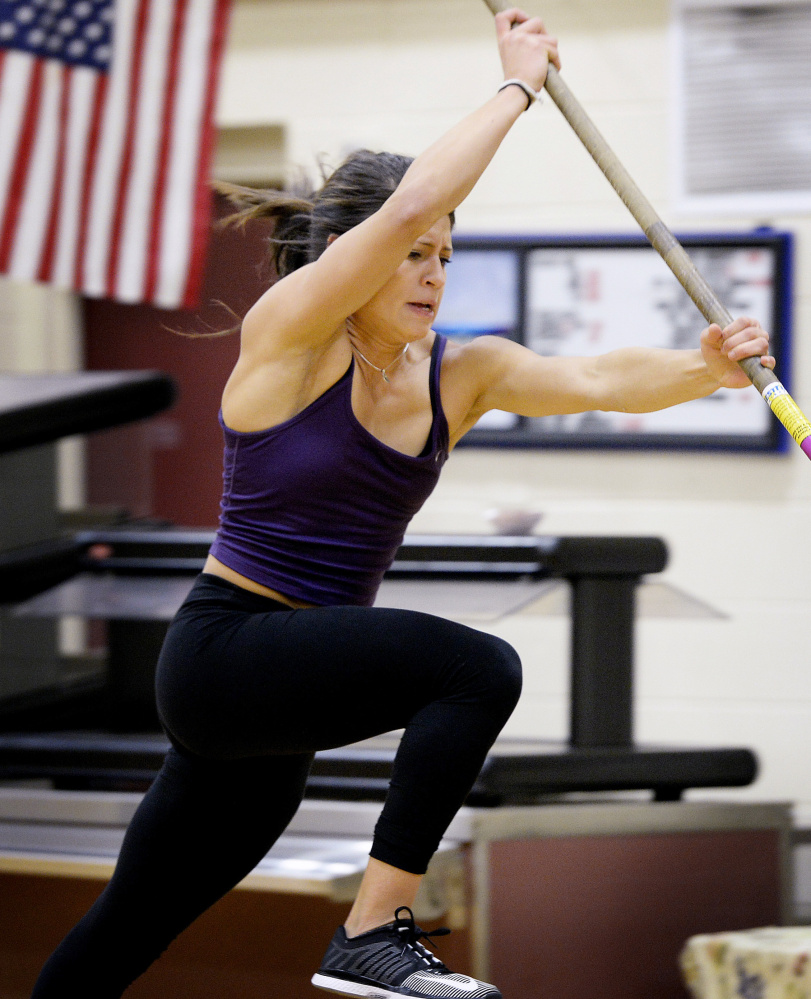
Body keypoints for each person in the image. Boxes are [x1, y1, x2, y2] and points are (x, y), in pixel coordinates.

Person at [31, 8, 774, 999]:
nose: (429, 272)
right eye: (411, 252)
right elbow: (413, 195)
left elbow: (598, 375)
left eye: (444, 256)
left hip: (281, 707)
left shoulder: (461, 374)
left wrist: (703, 371)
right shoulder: (292, 337)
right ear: (356, 254)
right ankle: (374, 931)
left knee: (123, 933)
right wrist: (517, 87)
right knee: (476, 670)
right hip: (226, 655)